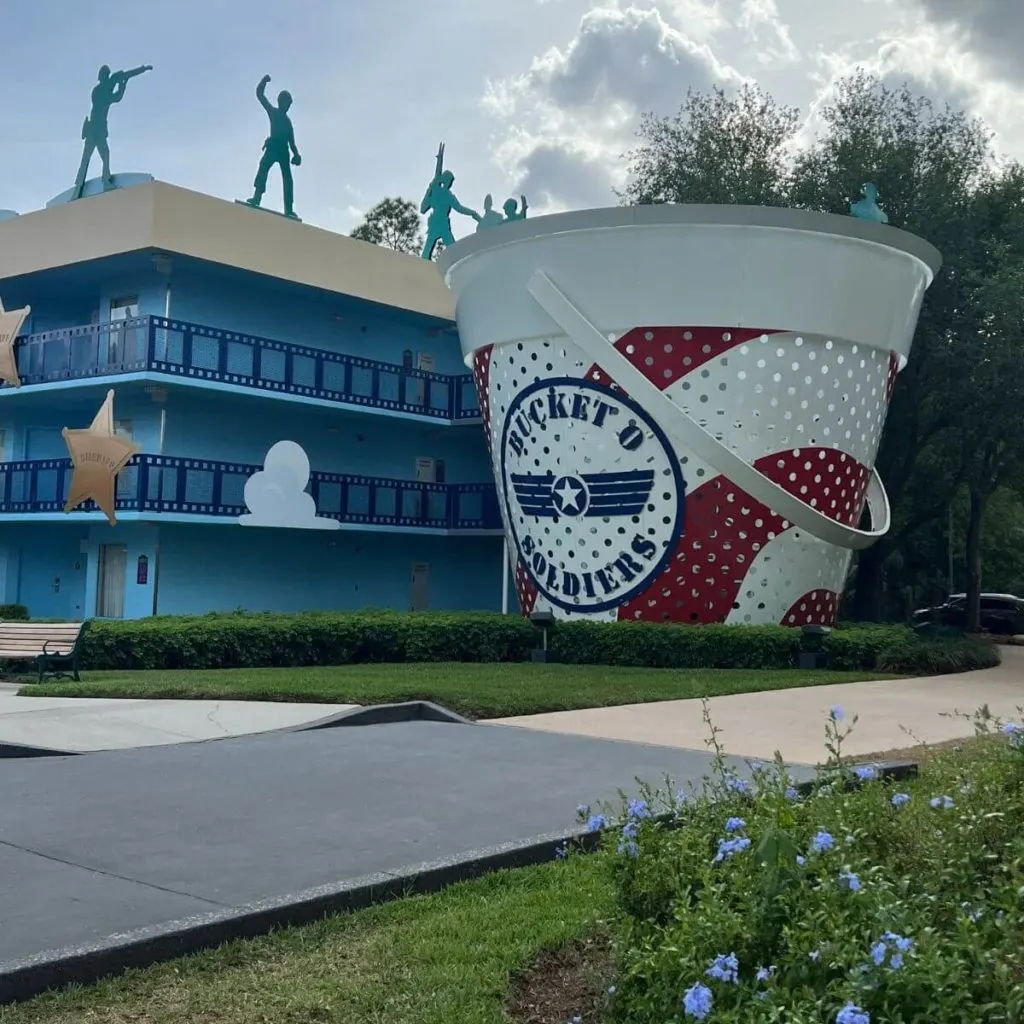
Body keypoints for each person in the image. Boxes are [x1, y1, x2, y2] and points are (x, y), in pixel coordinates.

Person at [73, 64, 152, 200]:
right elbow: (115, 98)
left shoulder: (100, 89)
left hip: (95, 128)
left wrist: (141, 69)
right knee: (101, 155)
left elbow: (128, 74)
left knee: (89, 158)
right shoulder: (99, 91)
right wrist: (122, 86)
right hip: (96, 128)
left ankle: (81, 187)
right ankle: (101, 182)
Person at [245, 75, 301, 220]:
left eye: (289, 104)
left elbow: (292, 143)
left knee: (288, 179)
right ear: (280, 102)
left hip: (283, 151)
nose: (287, 106)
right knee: (263, 166)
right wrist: (263, 81)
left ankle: (288, 209)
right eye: (286, 103)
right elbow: (260, 95)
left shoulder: (288, 123)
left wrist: (296, 155)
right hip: (273, 147)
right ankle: (257, 197)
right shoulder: (274, 112)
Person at [420, 142, 479, 259]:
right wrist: (440, 160)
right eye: (450, 181)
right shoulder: (443, 193)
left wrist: (472, 213)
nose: (451, 183)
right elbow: (437, 175)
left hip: (440, 222)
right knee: (439, 245)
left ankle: (427, 260)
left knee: (440, 244)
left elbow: (459, 208)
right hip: (439, 222)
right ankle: (457, 260)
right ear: (446, 181)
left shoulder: (443, 193)